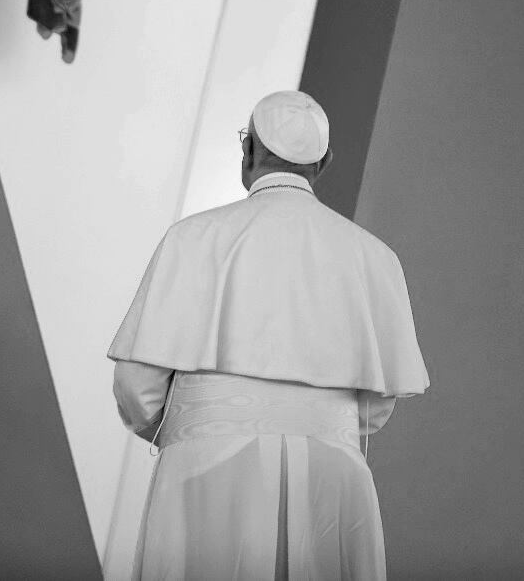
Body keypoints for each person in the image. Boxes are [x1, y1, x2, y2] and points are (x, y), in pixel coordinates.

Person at [108, 90, 429, 580]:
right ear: (324, 162)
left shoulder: (192, 237)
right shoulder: (376, 257)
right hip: (333, 473)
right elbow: (374, 409)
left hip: (206, 470)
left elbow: (137, 388)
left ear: (247, 151)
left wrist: (194, 432)